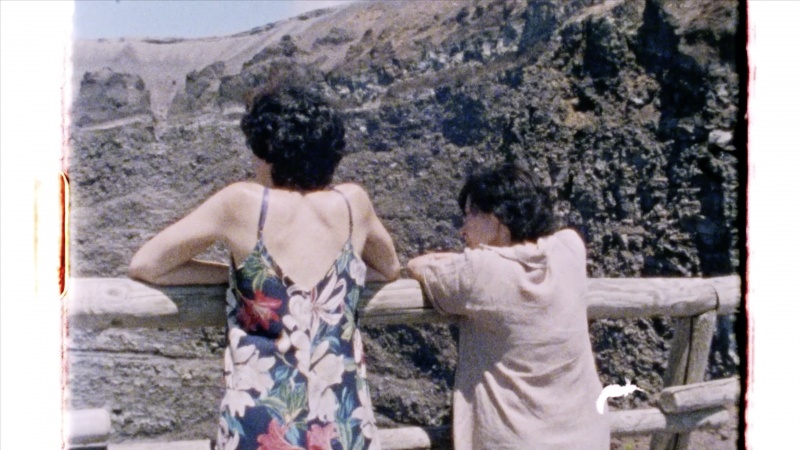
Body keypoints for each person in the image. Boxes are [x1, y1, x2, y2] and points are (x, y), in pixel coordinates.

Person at [129, 64, 401, 450]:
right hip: (342, 420)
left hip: (260, 425)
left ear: (268, 152)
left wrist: (243, 280)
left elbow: (147, 265)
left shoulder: (241, 203)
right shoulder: (353, 203)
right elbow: (389, 268)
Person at [407, 163, 610, 449]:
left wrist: (463, 258)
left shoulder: (479, 270)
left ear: (497, 219)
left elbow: (418, 265)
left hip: (517, 441)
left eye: (471, 215)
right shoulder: (569, 247)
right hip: (587, 437)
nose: (463, 230)